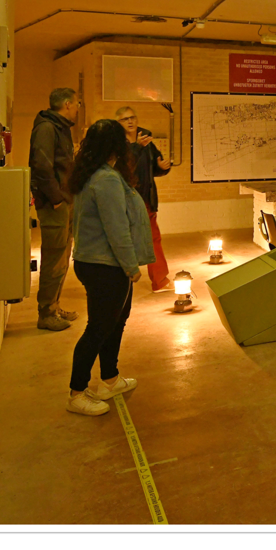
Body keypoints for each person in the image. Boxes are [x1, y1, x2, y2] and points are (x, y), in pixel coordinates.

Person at [63, 118, 156, 416]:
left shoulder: (93, 173)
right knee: (99, 328)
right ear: (116, 145)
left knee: (115, 322)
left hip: (96, 262)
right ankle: (77, 393)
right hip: (105, 265)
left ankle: (110, 380)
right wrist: (131, 266)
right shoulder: (106, 180)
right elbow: (117, 229)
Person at [29, 88, 81, 332]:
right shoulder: (47, 128)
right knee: (53, 258)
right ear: (67, 104)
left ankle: (54, 306)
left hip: (64, 199)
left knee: (62, 257)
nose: (78, 108)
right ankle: (46, 313)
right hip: (55, 204)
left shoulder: (60, 127)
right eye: (77, 103)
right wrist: (56, 198)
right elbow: (41, 166)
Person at [115, 106, 173, 292]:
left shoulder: (146, 140)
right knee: (123, 239)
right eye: (125, 119)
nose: (130, 121)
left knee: (153, 237)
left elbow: (153, 167)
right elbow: (121, 168)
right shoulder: (116, 144)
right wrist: (136, 147)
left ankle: (160, 280)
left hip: (145, 198)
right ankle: (119, 280)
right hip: (125, 199)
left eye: (132, 117)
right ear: (118, 123)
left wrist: (162, 167)